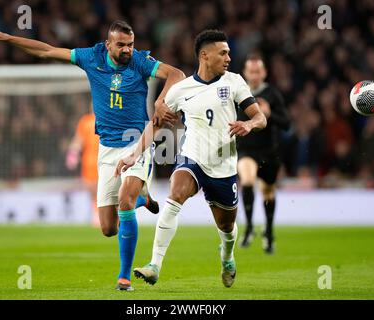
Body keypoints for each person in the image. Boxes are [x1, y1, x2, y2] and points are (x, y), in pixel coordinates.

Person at [0, 20, 185, 291]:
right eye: (120, 45)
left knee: (124, 201)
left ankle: (124, 277)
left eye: (130, 45)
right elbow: (46, 51)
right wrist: (4, 37)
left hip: (137, 143)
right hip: (107, 148)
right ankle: (142, 198)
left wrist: (160, 101)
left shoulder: (141, 62)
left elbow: (176, 74)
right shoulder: (90, 57)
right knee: (108, 228)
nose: (127, 50)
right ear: (108, 44)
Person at [116, 30, 266, 287]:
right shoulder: (181, 90)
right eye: (223, 53)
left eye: (229, 52)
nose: (229, 57)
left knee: (227, 229)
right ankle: (155, 264)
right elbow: (156, 125)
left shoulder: (234, 82)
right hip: (192, 158)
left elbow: (260, 117)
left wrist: (249, 124)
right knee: (175, 195)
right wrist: (134, 154)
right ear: (205, 56)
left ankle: (227, 256)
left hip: (224, 167)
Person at [66, 113, 159, 227]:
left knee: (111, 189)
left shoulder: (110, 118)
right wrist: (73, 153)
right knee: (92, 189)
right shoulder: (85, 121)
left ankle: (113, 215)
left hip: (108, 159)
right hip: (89, 161)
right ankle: (99, 214)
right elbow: (78, 140)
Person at [236, 56, 290, 253]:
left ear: (264, 73)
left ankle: (268, 231)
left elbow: (287, 124)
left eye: (258, 71)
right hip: (246, 150)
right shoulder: (238, 92)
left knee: (268, 191)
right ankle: (249, 227)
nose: (254, 75)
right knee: (248, 181)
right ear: (245, 72)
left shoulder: (272, 94)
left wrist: (269, 114)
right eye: (251, 71)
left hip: (269, 151)